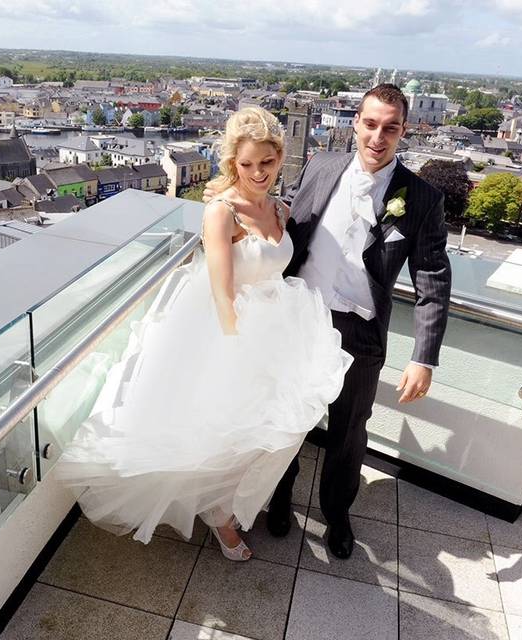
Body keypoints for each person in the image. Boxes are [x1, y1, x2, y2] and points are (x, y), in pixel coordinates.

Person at [56, 107, 352, 561]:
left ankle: (225, 506)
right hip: (227, 334)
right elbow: (221, 292)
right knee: (220, 433)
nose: (258, 173)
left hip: (278, 331)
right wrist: (238, 350)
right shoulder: (221, 212)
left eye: (267, 163)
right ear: (233, 161)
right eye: (247, 163)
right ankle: (219, 516)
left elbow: (278, 268)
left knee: (263, 434)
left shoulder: (281, 208)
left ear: (279, 159)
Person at [263, 84, 452, 559]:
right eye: (370, 123)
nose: (378, 136)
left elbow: (432, 277)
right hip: (297, 316)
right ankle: (280, 496)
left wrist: (424, 357)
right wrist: (231, 200)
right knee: (288, 416)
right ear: (355, 123)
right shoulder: (320, 166)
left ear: (405, 130)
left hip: (359, 330)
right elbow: (285, 216)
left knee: (349, 431)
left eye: (391, 127)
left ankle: (337, 514)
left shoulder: (422, 197)